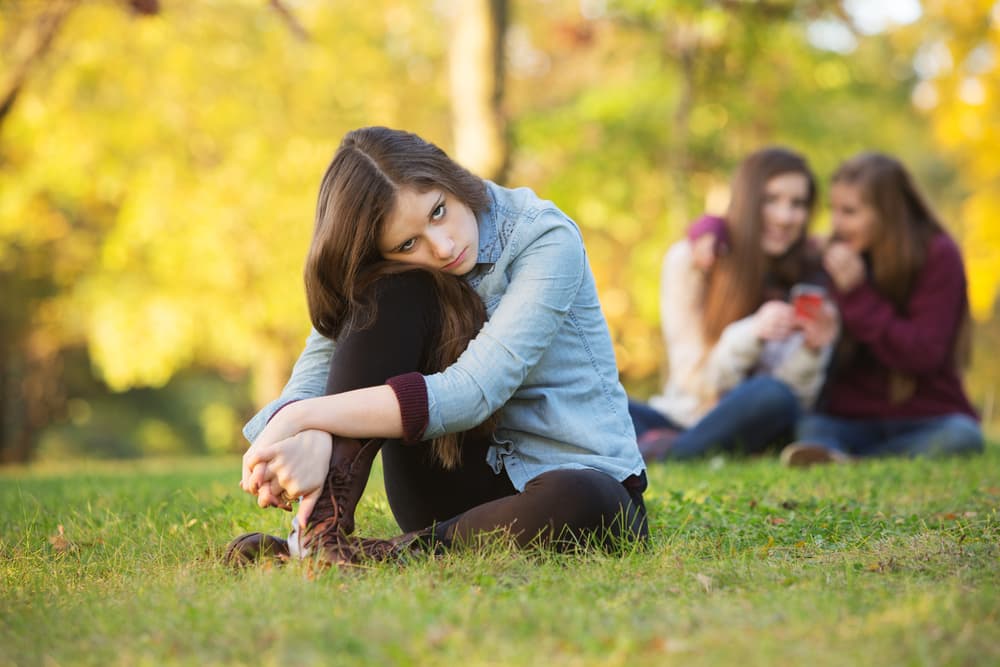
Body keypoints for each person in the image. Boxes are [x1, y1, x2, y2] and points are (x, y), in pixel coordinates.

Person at [225, 126, 648, 567]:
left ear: (448, 175)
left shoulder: (543, 237)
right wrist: (311, 436)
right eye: (408, 243)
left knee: (584, 499)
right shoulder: (389, 273)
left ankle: (394, 552)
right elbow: (314, 373)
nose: (444, 247)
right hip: (448, 488)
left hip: (573, 491)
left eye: (439, 211)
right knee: (389, 292)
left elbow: (473, 392)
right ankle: (318, 536)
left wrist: (300, 418)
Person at [629, 147, 839, 462]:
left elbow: (796, 399)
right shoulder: (690, 260)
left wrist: (812, 351)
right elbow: (692, 383)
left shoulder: (813, 276)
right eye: (770, 200)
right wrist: (752, 333)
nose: (785, 217)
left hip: (756, 418)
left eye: (797, 204)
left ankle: (669, 453)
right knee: (601, 400)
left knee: (772, 394)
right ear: (746, 200)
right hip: (683, 416)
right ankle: (685, 446)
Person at [780, 152, 984, 465]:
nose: (837, 224)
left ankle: (856, 461)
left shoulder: (939, 255)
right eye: (834, 210)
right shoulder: (831, 256)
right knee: (811, 426)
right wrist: (709, 228)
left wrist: (857, 294)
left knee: (962, 436)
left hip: (927, 415)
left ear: (889, 213)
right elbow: (763, 247)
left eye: (849, 212)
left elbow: (924, 353)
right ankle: (843, 455)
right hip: (848, 419)